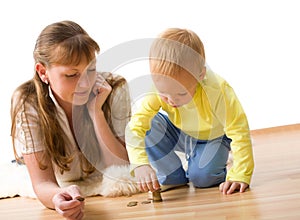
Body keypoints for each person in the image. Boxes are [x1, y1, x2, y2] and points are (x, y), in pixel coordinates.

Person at [10, 20, 131, 220]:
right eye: (72, 75)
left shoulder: (114, 88)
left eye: (91, 71)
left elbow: (121, 169)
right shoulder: (27, 102)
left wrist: (96, 113)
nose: (85, 83)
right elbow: (42, 183)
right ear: (43, 72)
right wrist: (58, 196)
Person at [125, 28, 254, 195]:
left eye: (181, 93)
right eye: (164, 93)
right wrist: (140, 163)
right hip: (181, 133)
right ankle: (172, 176)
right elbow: (135, 127)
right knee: (150, 123)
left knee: (202, 178)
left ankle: (217, 160)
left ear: (201, 75)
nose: (171, 100)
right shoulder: (157, 91)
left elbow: (239, 131)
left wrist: (240, 174)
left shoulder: (217, 90)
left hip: (212, 137)